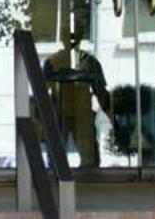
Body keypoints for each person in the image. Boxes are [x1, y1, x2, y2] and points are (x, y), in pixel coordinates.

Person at [42, 21, 110, 168]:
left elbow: (101, 92)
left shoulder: (90, 62)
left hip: (82, 114)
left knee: (90, 160)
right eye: (67, 35)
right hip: (60, 115)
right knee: (55, 161)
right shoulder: (52, 62)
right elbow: (42, 94)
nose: (71, 38)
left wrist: (113, 119)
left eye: (74, 34)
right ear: (61, 38)